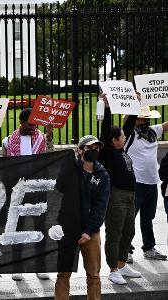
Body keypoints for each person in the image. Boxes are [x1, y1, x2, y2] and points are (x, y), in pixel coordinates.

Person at [55, 135, 109, 300]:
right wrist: (67, 163)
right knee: (63, 273)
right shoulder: (71, 168)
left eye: (96, 148)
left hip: (90, 231)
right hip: (69, 228)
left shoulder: (102, 175)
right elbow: (59, 186)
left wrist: (89, 231)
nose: (94, 151)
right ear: (80, 150)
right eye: (89, 148)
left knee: (93, 274)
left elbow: (101, 206)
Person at [2, 108, 53, 281]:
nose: (33, 127)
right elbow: (5, 167)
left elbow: (52, 158)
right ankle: (18, 266)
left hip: (38, 190)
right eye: (29, 124)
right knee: (18, 227)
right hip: (19, 191)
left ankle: (40, 266)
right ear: (21, 123)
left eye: (35, 124)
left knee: (40, 225)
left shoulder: (42, 138)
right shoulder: (8, 141)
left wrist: (49, 137)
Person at [98, 100, 141, 285]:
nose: (125, 137)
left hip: (130, 195)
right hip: (116, 196)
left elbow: (129, 126)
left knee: (129, 231)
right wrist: (107, 107)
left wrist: (135, 105)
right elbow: (106, 130)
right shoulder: (107, 151)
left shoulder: (122, 149)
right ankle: (113, 269)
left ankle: (122, 264)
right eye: (122, 136)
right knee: (115, 233)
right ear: (113, 140)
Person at [122, 103, 168, 261]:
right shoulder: (128, 135)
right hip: (136, 182)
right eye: (141, 119)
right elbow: (127, 121)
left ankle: (149, 248)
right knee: (129, 218)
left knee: (148, 217)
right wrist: (133, 107)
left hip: (151, 182)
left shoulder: (153, 132)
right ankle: (126, 250)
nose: (144, 122)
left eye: (146, 118)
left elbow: (166, 126)